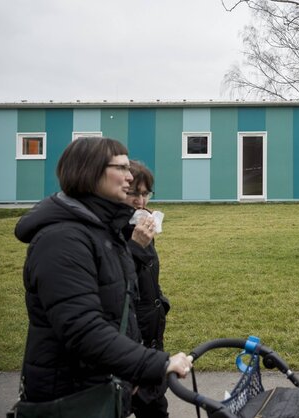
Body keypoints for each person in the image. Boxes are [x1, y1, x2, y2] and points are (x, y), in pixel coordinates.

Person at [14, 137, 192, 417]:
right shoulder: (62, 239)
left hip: (101, 387)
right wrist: (152, 364)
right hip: (71, 399)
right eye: (121, 167)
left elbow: (119, 313)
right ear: (89, 171)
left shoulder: (103, 232)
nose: (130, 176)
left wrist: (128, 374)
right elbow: (83, 329)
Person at [122, 160, 170, 418]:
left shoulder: (141, 226)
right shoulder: (112, 232)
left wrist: (160, 303)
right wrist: (135, 246)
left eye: (145, 193)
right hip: (128, 342)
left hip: (150, 337)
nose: (140, 201)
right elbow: (116, 281)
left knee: (155, 408)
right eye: (133, 193)